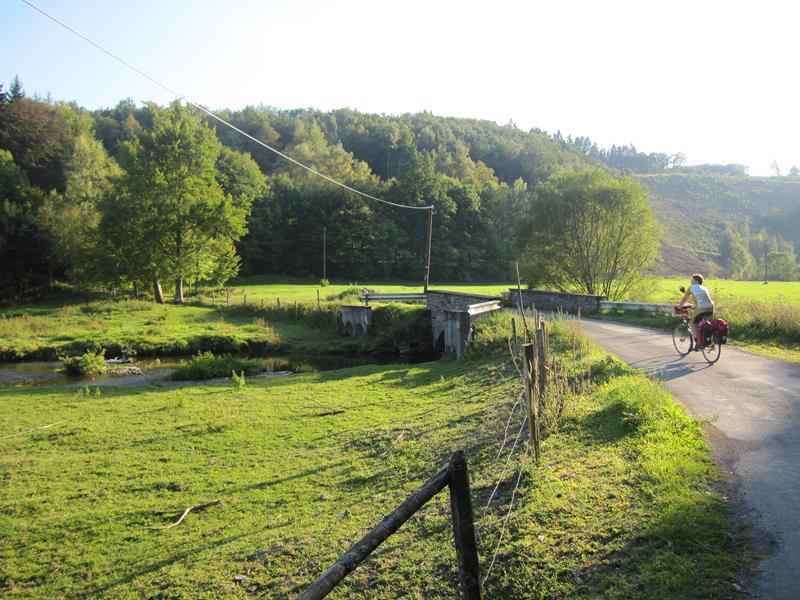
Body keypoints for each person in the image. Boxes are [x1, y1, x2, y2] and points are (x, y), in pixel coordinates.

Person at [678, 273, 715, 350]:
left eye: (692, 279)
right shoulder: (705, 288)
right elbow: (699, 298)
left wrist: (679, 306)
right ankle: (706, 340)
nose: (690, 281)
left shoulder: (691, 287)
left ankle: (698, 342)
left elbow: (684, 299)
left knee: (692, 323)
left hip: (701, 308)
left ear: (695, 280)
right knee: (702, 323)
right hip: (711, 308)